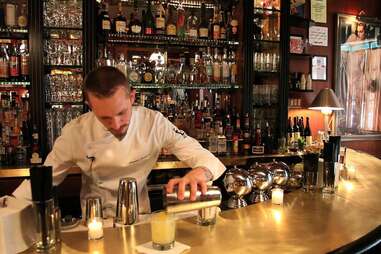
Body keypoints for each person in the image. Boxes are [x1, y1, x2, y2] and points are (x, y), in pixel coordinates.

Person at [14, 66, 226, 217]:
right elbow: (44, 179)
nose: (116, 124)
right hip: (96, 222)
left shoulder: (153, 123)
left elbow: (204, 157)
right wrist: (10, 206)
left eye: (122, 113)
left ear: (132, 98)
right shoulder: (75, 133)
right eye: (104, 117)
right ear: (89, 106)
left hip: (141, 218)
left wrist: (199, 172)